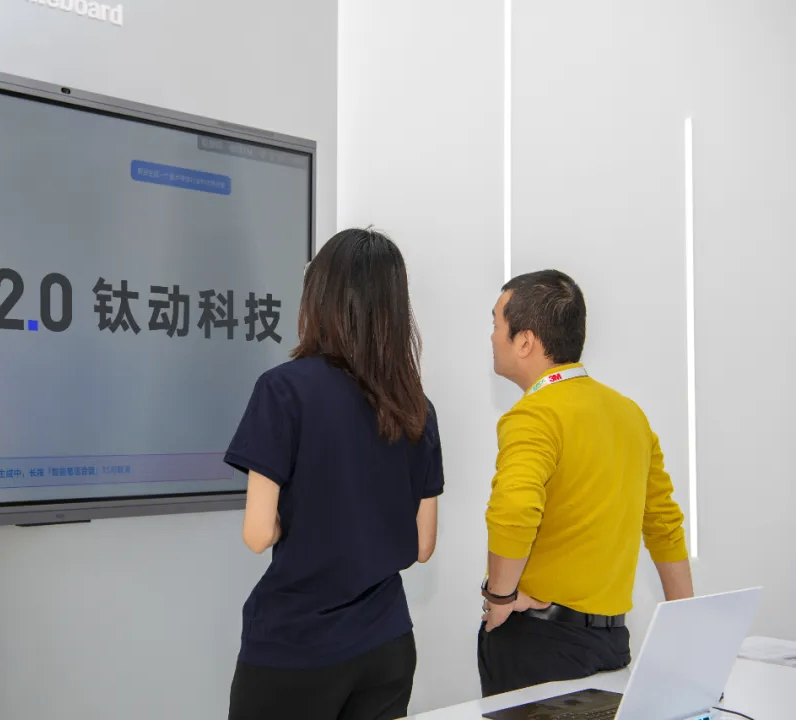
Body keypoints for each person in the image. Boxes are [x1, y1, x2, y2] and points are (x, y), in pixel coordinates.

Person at [223, 228, 444, 720]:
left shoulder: (283, 390)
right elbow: (423, 544)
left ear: (319, 297)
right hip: (387, 645)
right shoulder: (416, 407)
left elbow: (257, 534)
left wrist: (296, 518)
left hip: (296, 647)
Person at [478, 269, 694, 697]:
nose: (492, 336)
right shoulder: (630, 414)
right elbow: (664, 527)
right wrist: (688, 628)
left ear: (525, 341)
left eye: (497, 323)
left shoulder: (534, 414)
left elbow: (515, 511)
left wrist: (499, 598)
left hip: (539, 645)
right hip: (611, 645)